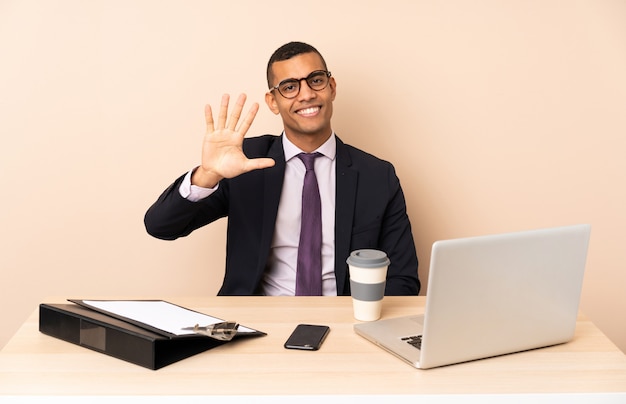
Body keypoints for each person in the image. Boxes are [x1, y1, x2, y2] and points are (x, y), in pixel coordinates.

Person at [144, 41, 420, 296]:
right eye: (289, 87)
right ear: (272, 102)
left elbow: (403, 279)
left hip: (346, 324)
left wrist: (362, 325)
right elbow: (161, 226)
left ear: (332, 87)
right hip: (258, 323)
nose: (307, 95)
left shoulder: (377, 176)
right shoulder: (244, 162)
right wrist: (209, 174)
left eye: (316, 80)